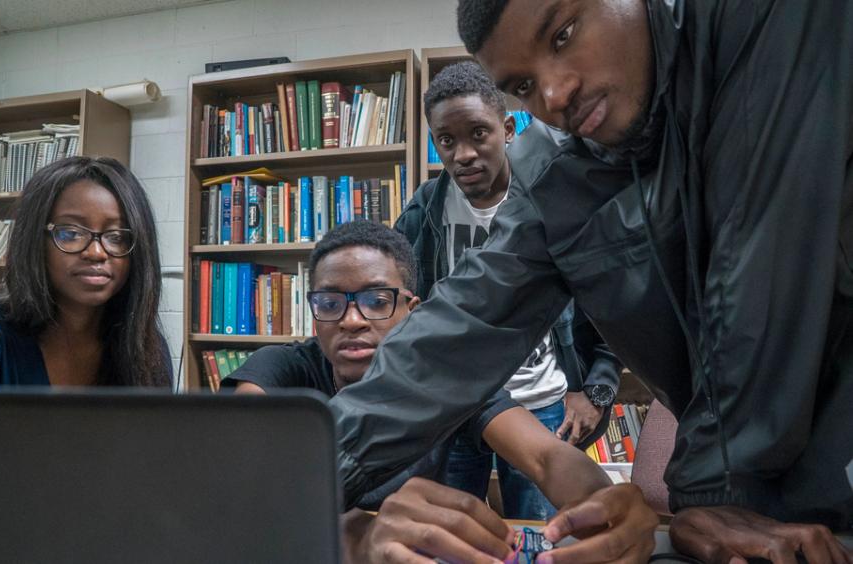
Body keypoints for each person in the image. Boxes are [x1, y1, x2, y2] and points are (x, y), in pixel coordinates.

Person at [328, 1, 853, 562]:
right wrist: (286, 481)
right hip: (752, 518)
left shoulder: (767, 20)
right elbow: (453, 334)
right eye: (523, 85)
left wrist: (710, 491)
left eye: (563, 35)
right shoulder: (556, 179)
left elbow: (761, 266)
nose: (553, 96)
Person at [223, 220, 657, 563]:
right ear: (314, 314)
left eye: (377, 300)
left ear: (413, 312)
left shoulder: (443, 376)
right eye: (331, 302)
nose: (352, 319)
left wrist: (604, 506)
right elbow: (241, 489)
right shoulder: (277, 369)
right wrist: (356, 535)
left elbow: (545, 456)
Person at [395, 60, 621, 520]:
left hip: (541, 410)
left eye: (478, 133)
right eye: (447, 140)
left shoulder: (550, 202)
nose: (463, 154)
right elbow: (399, 303)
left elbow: (612, 308)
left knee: (543, 538)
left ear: (508, 128)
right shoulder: (424, 210)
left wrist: (595, 390)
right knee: (450, 538)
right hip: (455, 408)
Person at [0, 156, 172, 389]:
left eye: (117, 237)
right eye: (70, 233)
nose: (96, 253)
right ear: (34, 240)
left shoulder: (146, 348)